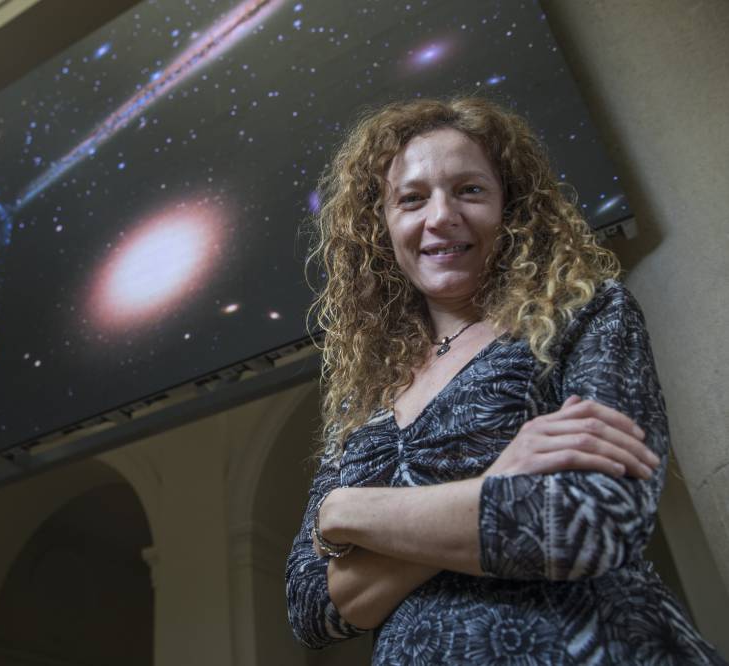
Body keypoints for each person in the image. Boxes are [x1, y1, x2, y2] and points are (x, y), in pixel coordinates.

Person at [285, 97, 725, 664]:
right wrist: (498, 481)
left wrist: (348, 514)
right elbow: (310, 606)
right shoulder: (360, 397)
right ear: (382, 226)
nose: (440, 216)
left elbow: (593, 519)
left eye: (469, 190)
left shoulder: (585, 313)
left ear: (510, 207)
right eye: (412, 199)